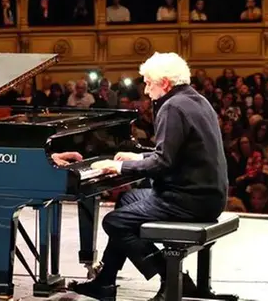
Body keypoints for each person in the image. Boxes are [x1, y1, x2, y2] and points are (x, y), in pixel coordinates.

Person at [60, 52, 228, 301]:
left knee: (114, 222)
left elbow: (163, 162)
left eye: (149, 82)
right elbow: (175, 154)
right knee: (126, 201)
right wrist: (136, 158)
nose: (146, 89)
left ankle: (173, 278)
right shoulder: (196, 100)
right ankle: (105, 281)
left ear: (166, 83)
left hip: (188, 199)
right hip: (208, 194)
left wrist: (116, 168)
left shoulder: (171, 107)